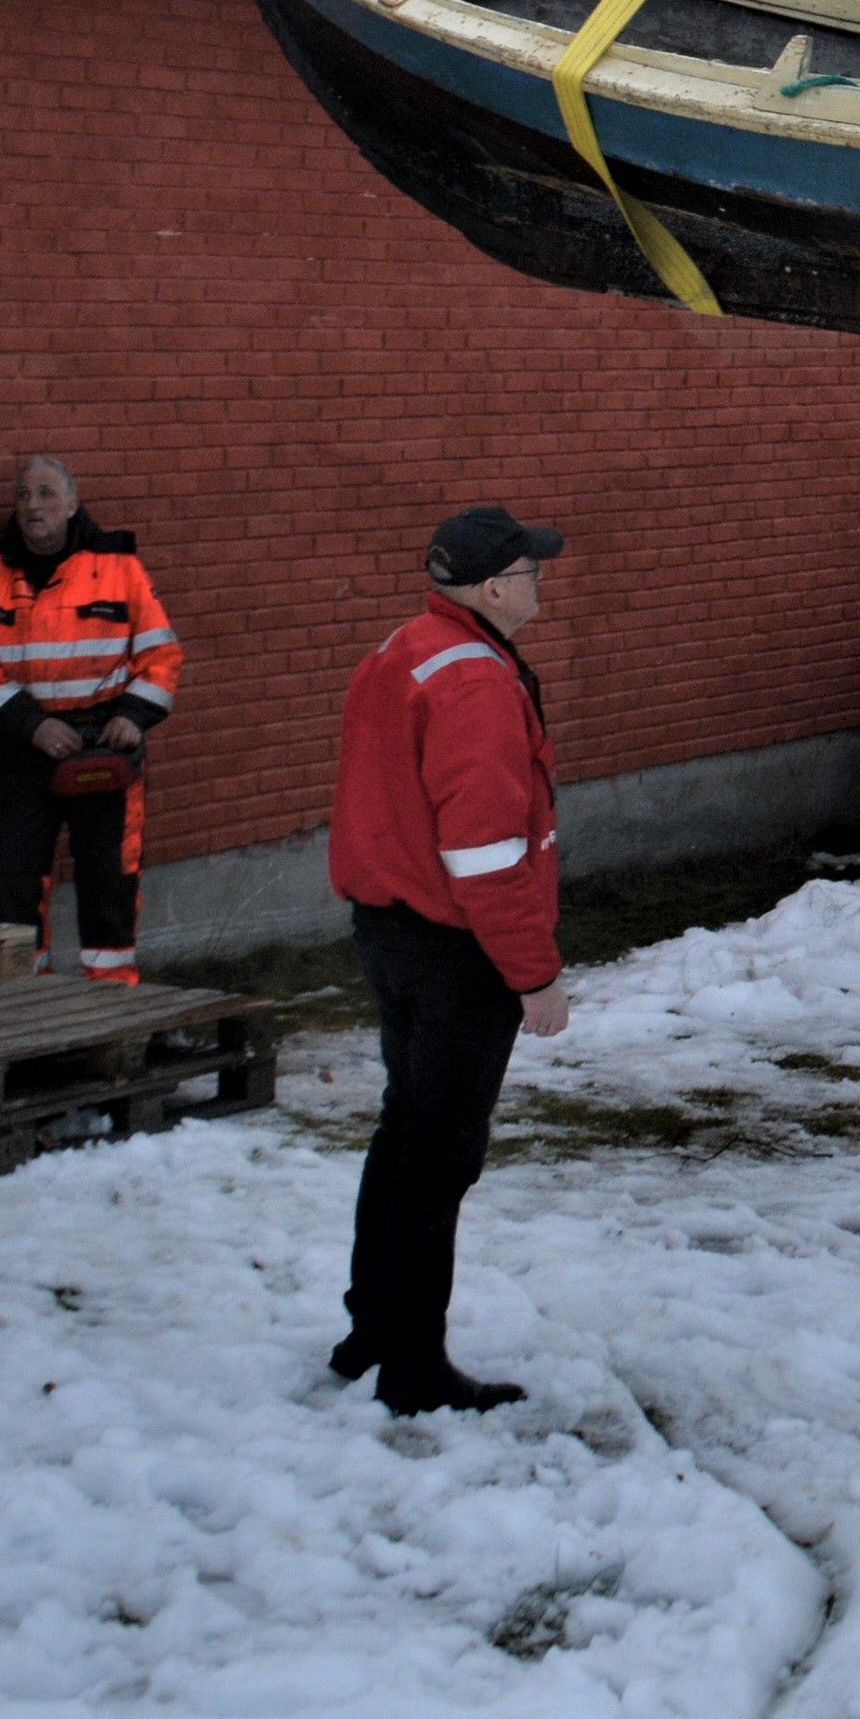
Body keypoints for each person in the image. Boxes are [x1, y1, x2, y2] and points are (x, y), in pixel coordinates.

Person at [327, 504, 576, 1416]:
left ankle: (374, 1330)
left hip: (390, 928)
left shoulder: (410, 648)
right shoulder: (473, 681)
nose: (542, 581)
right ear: (494, 587)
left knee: (405, 1131)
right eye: (532, 570)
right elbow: (485, 856)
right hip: (454, 949)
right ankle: (414, 1367)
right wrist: (534, 975)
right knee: (439, 1154)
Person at [0, 456, 183, 984]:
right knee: (11, 882)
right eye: (23, 495)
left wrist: (132, 717)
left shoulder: (121, 567)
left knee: (110, 880)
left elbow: (163, 656)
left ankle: (109, 1005)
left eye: (45, 494)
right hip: (24, 748)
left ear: (72, 503)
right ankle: (21, 1004)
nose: (32, 506)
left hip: (105, 744)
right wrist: (32, 725)